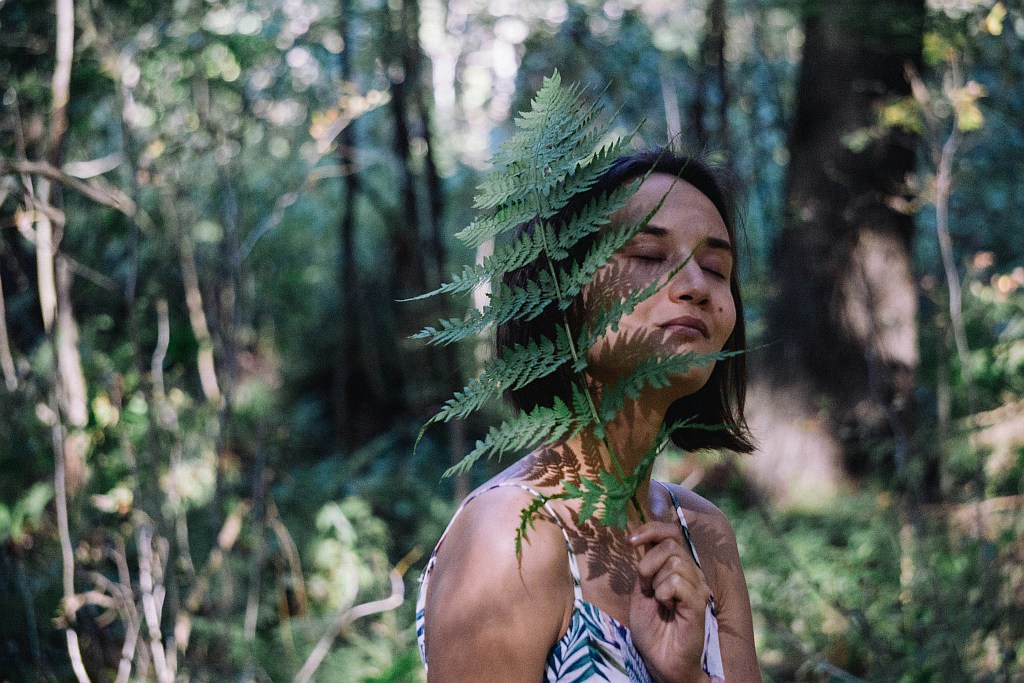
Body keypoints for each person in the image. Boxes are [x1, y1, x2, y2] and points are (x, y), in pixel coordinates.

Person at [416, 149, 762, 682]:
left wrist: (687, 677)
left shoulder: (705, 535)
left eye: (717, 268)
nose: (697, 285)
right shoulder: (511, 535)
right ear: (564, 296)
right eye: (648, 254)